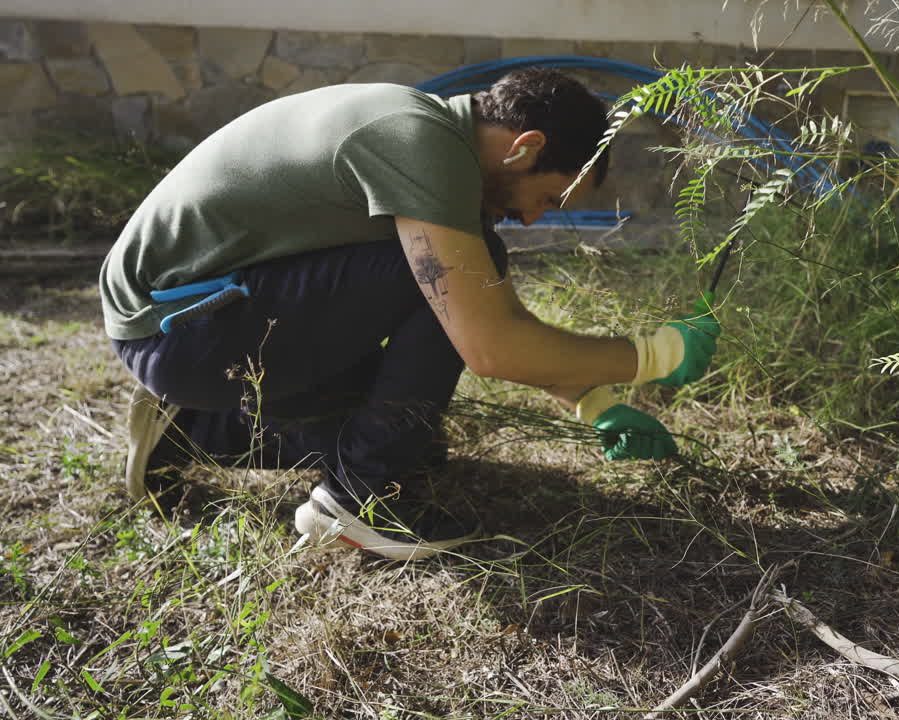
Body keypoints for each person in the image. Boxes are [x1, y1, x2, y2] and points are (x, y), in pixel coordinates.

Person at [100, 68, 719, 561]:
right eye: (548, 196)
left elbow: (499, 315)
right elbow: (488, 343)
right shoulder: (418, 141)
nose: (536, 217)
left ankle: (191, 430)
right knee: (437, 290)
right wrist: (655, 355)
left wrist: (594, 401)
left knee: (412, 442)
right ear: (525, 147)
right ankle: (353, 503)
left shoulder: (430, 137)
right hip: (179, 327)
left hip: (191, 327)